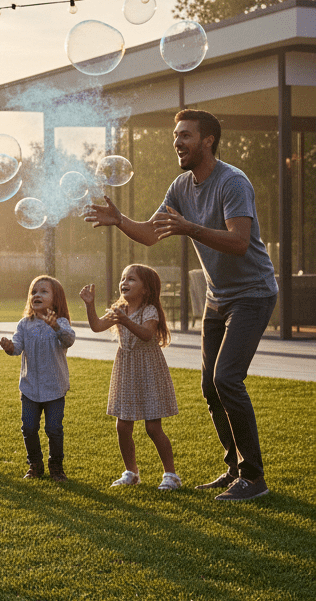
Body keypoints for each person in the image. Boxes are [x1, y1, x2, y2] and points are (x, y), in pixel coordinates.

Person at [85, 109, 278, 502]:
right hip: (217, 297)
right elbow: (152, 235)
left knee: (227, 378)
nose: (177, 142)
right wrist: (121, 219)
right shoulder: (181, 186)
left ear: (207, 140)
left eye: (185, 135)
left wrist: (190, 227)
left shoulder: (232, 182)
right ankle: (235, 468)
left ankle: (254, 477)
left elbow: (239, 241)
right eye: (176, 135)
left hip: (253, 292)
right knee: (210, 385)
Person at [79, 265, 181, 490]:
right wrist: (90, 305)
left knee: (153, 428)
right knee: (123, 427)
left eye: (132, 279)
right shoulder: (119, 308)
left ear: (145, 289)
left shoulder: (149, 310)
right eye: (123, 278)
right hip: (126, 369)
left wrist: (125, 321)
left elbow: (146, 334)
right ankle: (131, 472)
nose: (124, 282)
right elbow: (97, 326)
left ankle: (171, 475)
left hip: (148, 369)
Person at [0, 275, 76, 481]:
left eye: (43, 291)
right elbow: (17, 348)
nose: (37, 295)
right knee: (29, 427)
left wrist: (56, 327)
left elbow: (69, 340)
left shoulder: (60, 322)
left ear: (56, 298)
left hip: (54, 388)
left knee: (54, 429)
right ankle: (35, 464)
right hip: (30, 388)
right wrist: (9, 347)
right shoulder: (25, 324)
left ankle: (56, 466)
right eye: (34, 292)